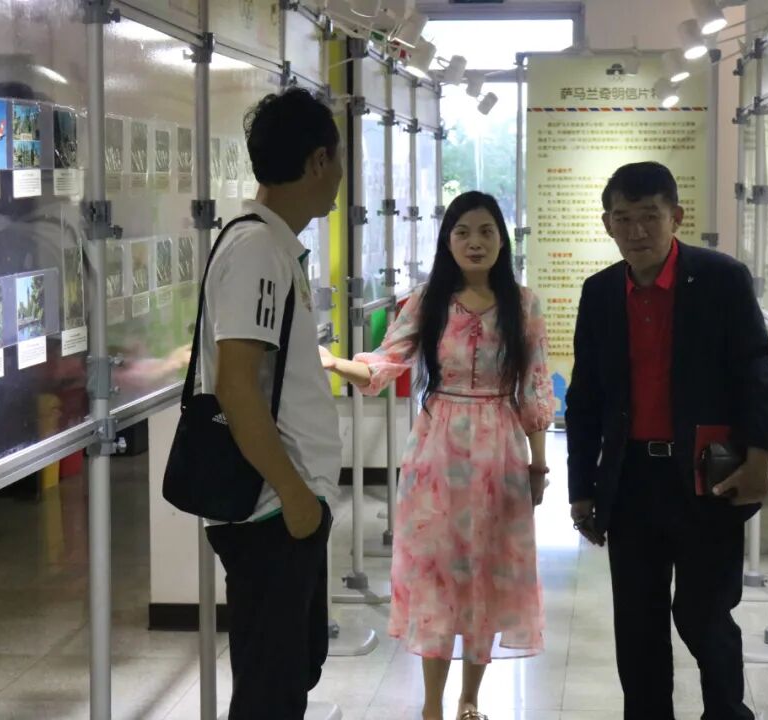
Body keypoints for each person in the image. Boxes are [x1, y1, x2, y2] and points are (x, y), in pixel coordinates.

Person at [320, 191, 553, 720]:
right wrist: (334, 364)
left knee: (487, 572)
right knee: (436, 575)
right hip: (436, 453)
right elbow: (385, 364)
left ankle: (470, 699)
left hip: (500, 452)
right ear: (447, 241)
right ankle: (432, 705)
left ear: (502, 240)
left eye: (486, 231)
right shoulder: (428, 301)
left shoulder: (525, 304)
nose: (475, 242)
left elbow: (535, 388)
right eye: (463, 232)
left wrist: (537, 466)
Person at [565, 162, 768, 720]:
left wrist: (760, 459)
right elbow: (584, 399)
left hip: (707, 477)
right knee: (638, 628)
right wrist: (581, 489)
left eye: (650, 217)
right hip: (632, 481)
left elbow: (755, 374)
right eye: (623, 218)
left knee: (704, 617)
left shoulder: (722, 279)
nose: (636, 231)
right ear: (607, 224)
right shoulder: (600, 293)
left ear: (676, 217)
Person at [199, 88, 344, 720]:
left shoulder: (274, 246)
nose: (340, 176)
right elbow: (236, 386)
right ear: (318, 162)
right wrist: (294, 496)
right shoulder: (258, 250)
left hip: (285, 506)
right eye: (338, 159)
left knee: (290, 675)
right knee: (270, 693)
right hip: (271, 512)